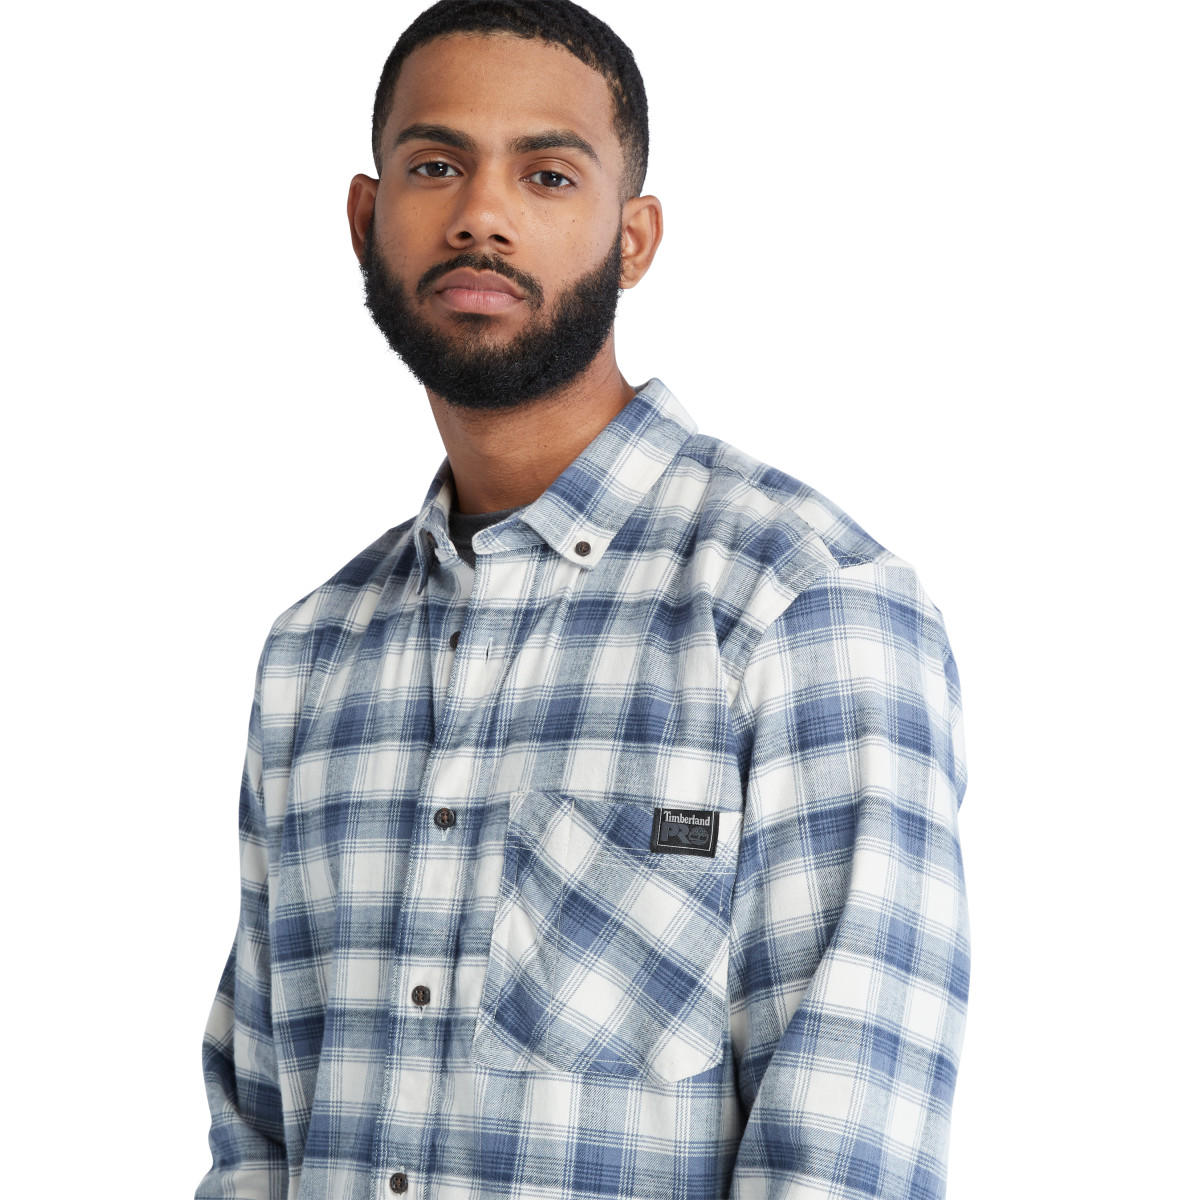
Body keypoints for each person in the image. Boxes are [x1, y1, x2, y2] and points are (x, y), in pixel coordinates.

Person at [196, 2, 970, 1197]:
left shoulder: (802, 608)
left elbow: (843, 1163)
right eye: (436, 166)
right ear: (364, 219)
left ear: (634, 238)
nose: (482, 214)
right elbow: (255, 1138)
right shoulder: (312, 656)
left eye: (548, 174)